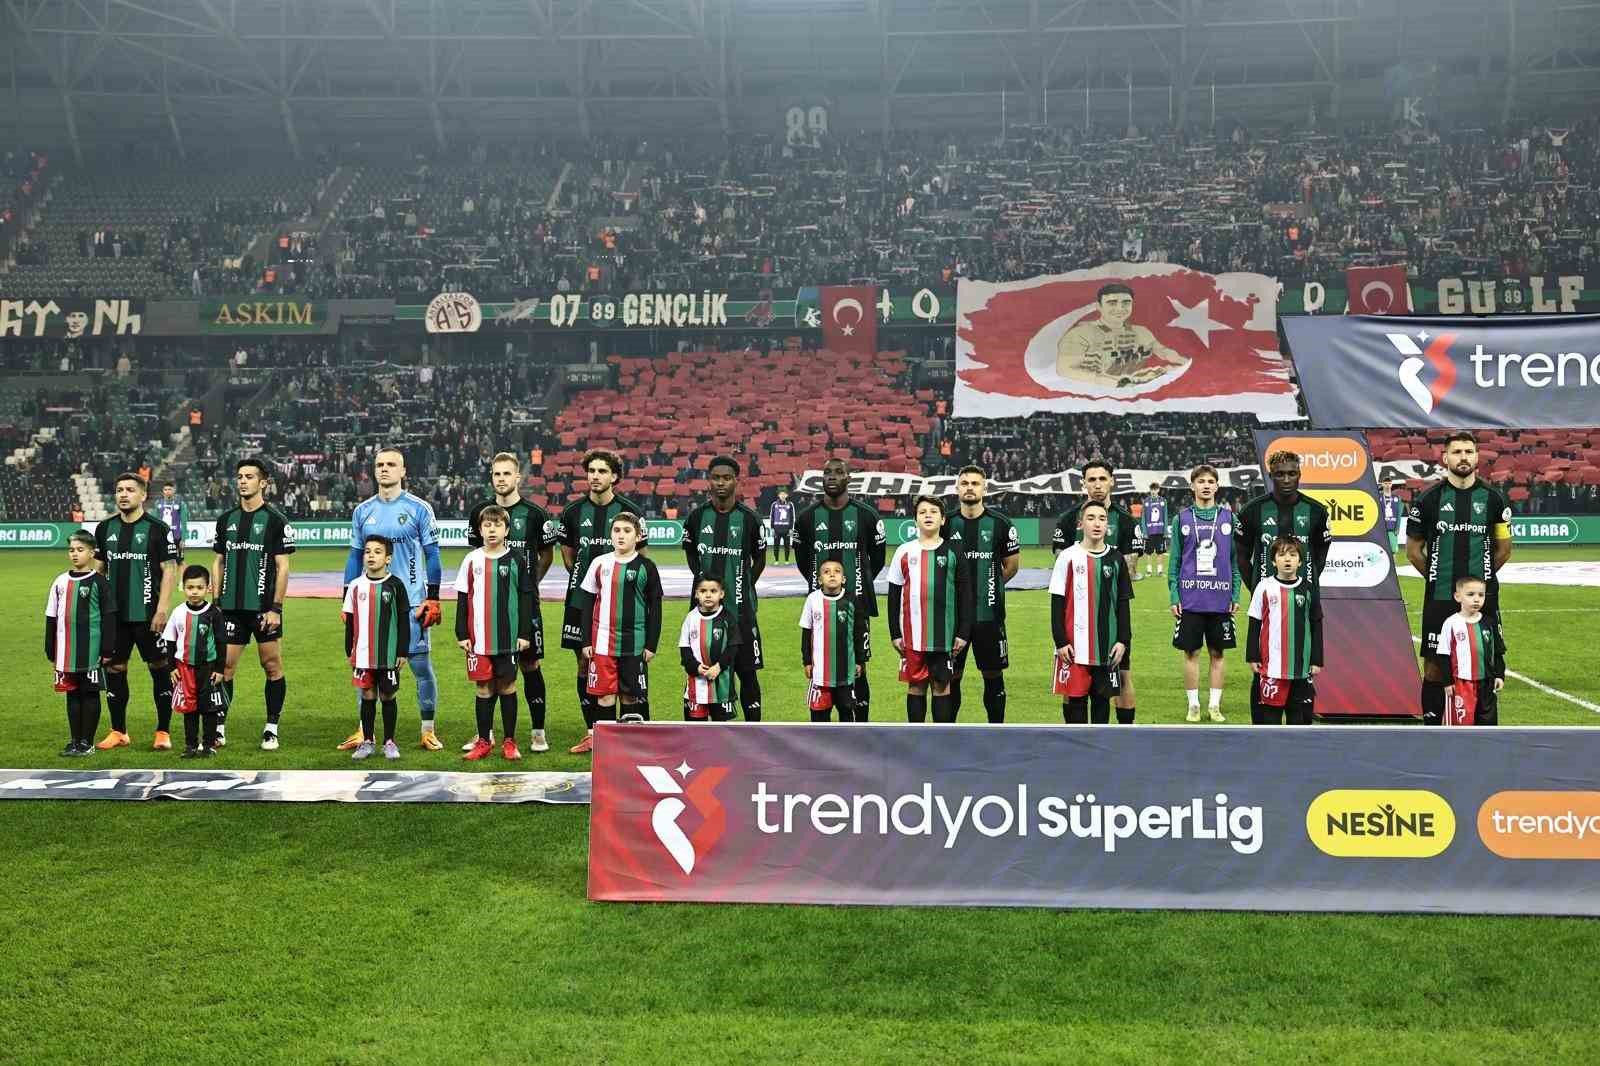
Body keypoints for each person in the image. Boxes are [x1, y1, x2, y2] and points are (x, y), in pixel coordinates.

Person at [338, 448, 444, 753]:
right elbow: (354, 557)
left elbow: (433, 555)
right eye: (380, 465)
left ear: (403, 471)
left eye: (391, 464)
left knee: (420, 666)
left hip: (411, 604)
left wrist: (433, 598)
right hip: (370, 605)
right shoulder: (362, 511)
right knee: (365, 667)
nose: (385, 469)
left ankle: (427, 730)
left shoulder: (419, 508)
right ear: (374, 471)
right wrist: (347, 600)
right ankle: (365, 731)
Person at [1406, 432, 1513, 726]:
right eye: (1457, 452)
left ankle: (1483, 731)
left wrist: (1478, 586)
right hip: (1440, 597)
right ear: (1445, 458)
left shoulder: (1494, 498)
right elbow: (1413, 551)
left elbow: (1504, 549)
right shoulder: (1428, 500)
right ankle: (1433, 729)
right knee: (1434, 667)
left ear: (1477, 457)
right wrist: (1438, 578)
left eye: (1468, 451)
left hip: (1482, 599)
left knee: (1485, 663)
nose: (1463, 457)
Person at [461, 451, 560, 752]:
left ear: (518, 477)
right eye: (496, 474)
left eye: (507, 473)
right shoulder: (479, 513)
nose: (501, 479)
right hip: (488, 611)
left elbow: (546, 555)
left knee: (530, 664)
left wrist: (527, 586)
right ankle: (487, 734)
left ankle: (538, 731)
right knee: (488, 668)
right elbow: (478, 555)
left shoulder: (535, 514)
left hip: (525, 606)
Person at [561, 449, 648, 754]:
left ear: (614, 476)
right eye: (591, 471)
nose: (595, 476)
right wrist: (588, 583)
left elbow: (641, 559)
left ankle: (627, 732)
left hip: (622, 606)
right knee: (585, 663)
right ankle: (592, 731)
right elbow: (568, 555)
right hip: (580, 601)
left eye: (602, 471)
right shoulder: (572, 512)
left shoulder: (630, 512)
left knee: (624, 665)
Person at [211, 458, 295, 750]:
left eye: (249, 476)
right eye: (240, 476)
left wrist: (276, 608)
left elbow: (283, 567)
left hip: (264, 610)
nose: (243, 481)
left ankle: (271, 728)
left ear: (263, 482)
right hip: (230, 609)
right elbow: (218, 561)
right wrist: (216, 602)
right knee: (225, 667)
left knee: (271, 665)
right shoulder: (226, 520)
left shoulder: (275, 521)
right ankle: (218, 727)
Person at [795, 457, 886, 720]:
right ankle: (821, 726)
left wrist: (858, 586)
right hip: (820, 606)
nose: (832, 476)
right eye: (827, 472)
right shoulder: (807, 518)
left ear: (848, 478)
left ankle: (862, 727)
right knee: (819, 667)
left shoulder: (866, 515)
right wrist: (820, 586)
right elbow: (803, 560)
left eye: (838, 472)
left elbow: (877, 560)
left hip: (857, 606)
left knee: (859, 669)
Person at [92, 472, 177, 750]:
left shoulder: (157, 529)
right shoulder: (105, 529)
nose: (123, 494)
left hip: (149, 615)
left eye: (130, 490)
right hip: (115, 616)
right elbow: (99, 569)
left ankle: (163, 731)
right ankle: (119, 731)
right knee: (115, 668)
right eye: (119, 490)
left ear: (143, 495)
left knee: (159, 667)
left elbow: (169, 570)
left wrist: (162, 609)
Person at [1053, 461, 1141, 726]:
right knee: (1073, 685)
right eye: (1092, 479)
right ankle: (1074, 735)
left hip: (1110, 623)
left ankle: (1123, 735)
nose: (1098, 484)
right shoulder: (1068, 520)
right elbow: (1063, 577)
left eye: (1103, 478)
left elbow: (1129, 570)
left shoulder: (1125, 520)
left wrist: (1106, 578)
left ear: (1112, 481)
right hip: (1075, 623)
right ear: (1084, 483)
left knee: (1121, 677)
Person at [681, 456, 767, 721]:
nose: (720, 483)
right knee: (700, 671)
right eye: (716, 477)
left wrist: (742, 585)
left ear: (736, 481)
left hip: (741, 613)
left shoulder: (750, 520)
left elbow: (759, 560)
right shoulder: (696, 518)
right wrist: (703, 581)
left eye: (726, 478)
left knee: (747, 673)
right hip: (703, 617)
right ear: (709, 480)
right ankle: (703, 731)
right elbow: (691, 554)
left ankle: (753, 732)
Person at [455, 506, 538, 761]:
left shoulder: (516, 560)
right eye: (487, 526)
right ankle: (483, 741)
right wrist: (461, 632)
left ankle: (509, 741)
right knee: (483, 687)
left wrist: (524, 633)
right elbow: (462, 598)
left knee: (507, 686)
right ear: (480, 530)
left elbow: (526, 598)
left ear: (507, 530)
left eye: (497, 525)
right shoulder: (471, 560)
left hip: (508, 637)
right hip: (478, 639)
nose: (492, 530)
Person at [941, 465, 1019, 723]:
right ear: (957, 488)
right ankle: (947, 732)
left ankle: (997, 731)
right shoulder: (946, 523)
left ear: (984, 488)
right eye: (965, 483)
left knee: (993, 676)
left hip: (989, 616)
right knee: (951, 676)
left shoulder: (1001, 524)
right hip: (953, 618)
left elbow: (1011, 567)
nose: (970, 488)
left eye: (975, 483)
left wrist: (989, 586)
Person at [888, 495, 973, 723]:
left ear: (943, 520)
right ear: (915, 519)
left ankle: (941, 738)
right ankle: (916, 738)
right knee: (916, 686)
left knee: (942, 686)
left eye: (934, 512)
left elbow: (965, 596)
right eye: (922, 512)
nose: (928, 515)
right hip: (912, 636)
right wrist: (895, 633)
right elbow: (894, 596)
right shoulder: (903, 552)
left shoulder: (954, 552)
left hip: (943, 636)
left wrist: (963, 633)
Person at [579, 512, 663, 734]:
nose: (621, 535)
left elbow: (655, 609)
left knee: (629, 695)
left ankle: (629, 744)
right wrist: (586, 640)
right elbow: (587, 603)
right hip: (602, 642)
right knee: (604, 696)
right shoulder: (599, 563)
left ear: (638, 536)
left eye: (627, 531)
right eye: (616, 530)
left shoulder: (647, 567)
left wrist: (651, 644)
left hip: (634, 643)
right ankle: (608, 745)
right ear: (611, 535)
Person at [1169, 465, 1238, 723]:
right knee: (1191, 653)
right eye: (1201, 481)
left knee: (1218, 654)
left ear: (1217, 486)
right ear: (1192, 486)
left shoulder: (1230, 519)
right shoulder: (1181, 519)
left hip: (1220, 599)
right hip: (1191, 600)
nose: (1206, 486)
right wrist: (1174, 595)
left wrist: (1235, 594)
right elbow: (1175, 562)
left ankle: (1215, 706)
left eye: (1210, 481)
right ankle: (1194, 705)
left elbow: (1234, 561)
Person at [46, 531, 117, 757]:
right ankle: (75, 740)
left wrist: (107, 648)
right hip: (66, 651)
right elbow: (51, 616)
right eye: (71, 550)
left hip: (91, 651)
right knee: (72, 694)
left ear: (91, 553)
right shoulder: (60, 581)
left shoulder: (100, 582)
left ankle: (87, 742)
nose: (75, 554)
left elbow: (109, 617)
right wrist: (50, 649)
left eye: (80, 550)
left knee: (90, 694)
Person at [342, 535, 411, 761]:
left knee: (388, 695)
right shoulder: (355, 585)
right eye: (367, 551)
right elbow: (350, 623)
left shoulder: (396, 585)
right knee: (367, 695)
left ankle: (389, 741)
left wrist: (402, 651)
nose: (371, 555)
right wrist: (349, 651)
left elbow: (403, 621)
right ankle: (368, 741)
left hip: (388, 654)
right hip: (362, 655)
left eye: (377, 552)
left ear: (388, 558)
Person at [1245, 535, 1323, 725]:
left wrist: (1316, 659)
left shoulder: (1308, 589)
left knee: (1298, 720)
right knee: (1269, 719)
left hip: (1300, 667)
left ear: (1300, 561)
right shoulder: (1264, 587)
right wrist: (1252, 656)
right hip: (1271, 666)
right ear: (1273, 561)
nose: (1287, 559)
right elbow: (1254, 623)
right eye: (1281, 555)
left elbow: (1316, 624)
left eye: (1293, 555)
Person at [1235, 450, 1332, 595]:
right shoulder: (1251, 510)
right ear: (1271, 476)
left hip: (1305, 598)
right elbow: (1241, 557)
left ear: (1299, 475)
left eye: (1292, 474)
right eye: (1280, 474)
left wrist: (1307, 585)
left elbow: (1321, 557)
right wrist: (1257, 590)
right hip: (1265, 600)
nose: (1286, 480)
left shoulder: (1317, 511)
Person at [1054, 283, 1187, 388]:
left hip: (1133, 392)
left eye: (1126, 303)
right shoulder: (1080, 334)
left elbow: (1163, 351)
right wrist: (1115, 383)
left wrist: (1184, 362)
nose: (1120, 308)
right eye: (1112, 303)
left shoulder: (1141, 332)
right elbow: (1064, 370)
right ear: (1098, 306)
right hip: (1097, 394)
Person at [160, 565, 228, 758]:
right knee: (189, 708)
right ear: (183, 587)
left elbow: (221, 642)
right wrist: (172, 667)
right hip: (185, 668)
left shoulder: (214, 613)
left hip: (208, 668)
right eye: (190, 587)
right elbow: (170, 641)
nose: (195, 592)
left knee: (209, 708)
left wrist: (220, 669)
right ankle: (190, 745)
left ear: (208, 588)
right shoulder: (178, 612)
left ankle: (208, 745)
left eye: (199, 587)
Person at [1429, 575, 1505, 726]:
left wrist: (1499, 675)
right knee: (1461, 725)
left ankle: (1486, 742)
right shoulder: (1451, 623)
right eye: (1470, 595)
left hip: (1487, 682)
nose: (1476, 599)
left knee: (1488, 723)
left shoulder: (1489, 623)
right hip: (1461, 684)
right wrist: (1448, 682)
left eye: (1481, 595)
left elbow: (1497, 652)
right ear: (1458, 597)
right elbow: (1443, 655)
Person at [800, 560, 868, 723]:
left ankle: (847, 740)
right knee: (819, 718)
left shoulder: (851, 600)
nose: (832, 574)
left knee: (847, 714)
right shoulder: (812, 599)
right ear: (819, 580)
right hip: (820, 673)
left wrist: (860, 661)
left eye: (837, 571)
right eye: (826, 572)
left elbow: (859, 633)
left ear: (843, 579)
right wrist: (807, 661)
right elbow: (806, 632)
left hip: (846, 672)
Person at [678, 574, 741, 722]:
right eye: (703, 591)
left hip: (722, 686)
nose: (708, 595)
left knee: (722, 730)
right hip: (696, 686)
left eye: (713, 591)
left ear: (721, 594)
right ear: (696, 594)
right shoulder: (690, 618)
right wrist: (697, 668)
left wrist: (718, 667)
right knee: (695, 730)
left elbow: (733, 647)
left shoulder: (728, 618)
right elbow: (684, 650)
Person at [1139, 482, 1169, 579]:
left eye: (1155, 489)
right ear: (1150, 490)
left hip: (1160, 531)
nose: (1153, 491)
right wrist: (1144, 532)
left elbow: (1165, 516)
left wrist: (1165, 531)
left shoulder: (1163, 501)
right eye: (1152, 489)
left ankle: (1160, 571)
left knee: (1160, 552)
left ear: (1158, 490)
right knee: (1148, 552)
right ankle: (1149, 571)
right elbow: (1143, 517)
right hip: (1149, 532)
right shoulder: (1146, 501)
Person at [154, 480, 187, 562]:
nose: (167, 491)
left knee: (180, 562)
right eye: (165, 490)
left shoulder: (180, 504)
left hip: (176, 536)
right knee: (164, 561)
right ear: (163, 491)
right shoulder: (158, 503)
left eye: (169, 489)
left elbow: (184, 522)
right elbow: (155, 522)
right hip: (162, 536)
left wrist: (183, 539)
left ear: (174, 490)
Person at [769, 488, 796, 563]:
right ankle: (776, 560)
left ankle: (786, 560)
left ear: (787, 495)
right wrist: (772, 528)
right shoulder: (774, 504)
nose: (783, 495)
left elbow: (792, 517)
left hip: (786, 529)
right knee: (776, 546)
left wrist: (791, 528)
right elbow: (772, 516)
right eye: (781, 494)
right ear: (778, 495)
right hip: (777, 529)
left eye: (784, 494)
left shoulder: (790, 504)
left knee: (787, 546)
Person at [1379, 477, 1402, 556]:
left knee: (1393, 551)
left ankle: (1393, 564)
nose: (1387, 485)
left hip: (1392, 529)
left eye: (1389, 483)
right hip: (1381, 529)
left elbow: (1399, 514)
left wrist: (1397, 528)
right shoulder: (1378, 497)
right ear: (1382, 484)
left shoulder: (1397, 498)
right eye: (1385, 483)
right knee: (1381, 551)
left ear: (1391, 484)